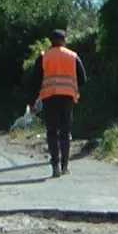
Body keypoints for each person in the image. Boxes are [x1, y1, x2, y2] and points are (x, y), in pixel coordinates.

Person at [27, 28, 86, 177]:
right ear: (64, 41)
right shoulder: (73, 56)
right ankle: (65, 165)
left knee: (52, 132)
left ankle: (55, 166)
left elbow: (35, 81)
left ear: (51, 41)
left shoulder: (43, 57)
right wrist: (74, 88)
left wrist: (32, 101)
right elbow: (83, 78)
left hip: (49, 98)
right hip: (67, 97)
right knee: (65, 132)